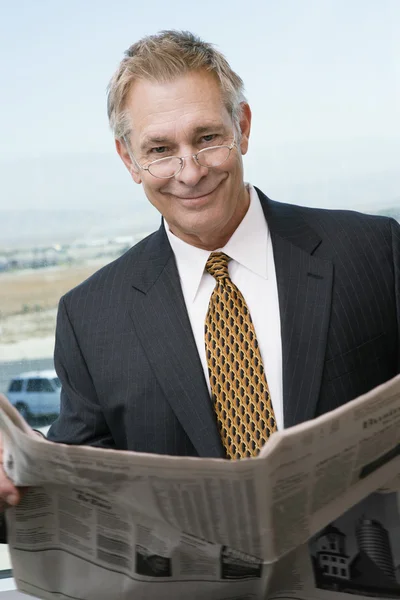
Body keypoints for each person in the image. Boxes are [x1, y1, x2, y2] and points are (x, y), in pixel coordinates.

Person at [0, 30, 399, 509]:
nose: (189, 172)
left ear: (243, 127)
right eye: (160, 150)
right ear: (129, 158)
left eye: (207, 138)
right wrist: (13, 478)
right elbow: (74, 493)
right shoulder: (89, 319)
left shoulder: (375, 252)